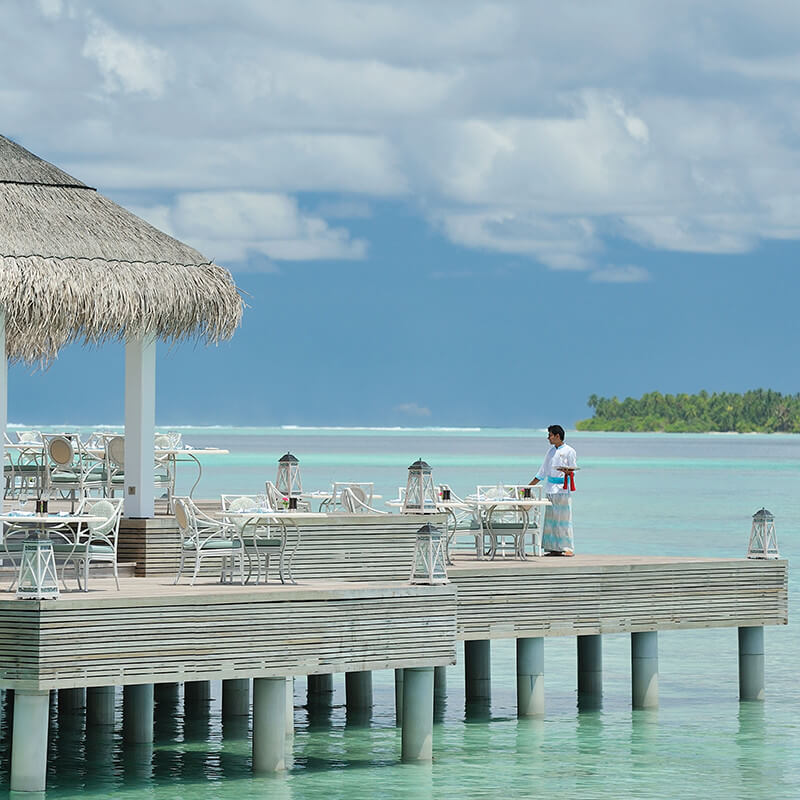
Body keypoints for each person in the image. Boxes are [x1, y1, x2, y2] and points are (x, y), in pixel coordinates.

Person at [529, 424, 577, 556]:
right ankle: (553, 547)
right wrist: (529, 486)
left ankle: (567, 548)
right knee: (550, 520)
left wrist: (567, 471)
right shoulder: (550, 452)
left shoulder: (569, 451)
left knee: (564, 519)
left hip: (562, 489)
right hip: (550, 489)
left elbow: (573, 470)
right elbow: (542, 471)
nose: (548, 438)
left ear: (557, 436)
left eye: (550, 435)